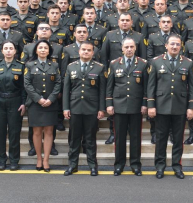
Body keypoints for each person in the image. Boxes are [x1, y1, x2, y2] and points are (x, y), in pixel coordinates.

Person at [146, 34, 193, 179]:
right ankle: (160, 167)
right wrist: (151, 105)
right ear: (166, 46)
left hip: (180, 107)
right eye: (172, 44)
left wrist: (191, 107)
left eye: (177, 44)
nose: (175, 47)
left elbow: (192, 88)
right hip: (161, 107)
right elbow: (151, 86)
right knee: (160, 138)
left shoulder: (188, 63)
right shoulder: (155, 62)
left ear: (181, 47)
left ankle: (177, 166)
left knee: (178, 139)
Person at [62, 41, 105, 176]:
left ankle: (92, 165)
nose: (86, 52)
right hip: (75, 108)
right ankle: (72, 165)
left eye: (89, 50)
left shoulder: (99, 67)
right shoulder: (71, 67)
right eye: (83, 50)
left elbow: (102, 90)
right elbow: (66, 89)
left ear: (93, 53)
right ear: (79, 51)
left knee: (90, 139)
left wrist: (101, 109)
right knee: (74, 139)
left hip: (91, 108)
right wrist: (66, 108)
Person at [105, 38, 147, 176]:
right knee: (119, 137)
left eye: (131, 47)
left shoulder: (143, 64)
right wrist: (109, 104)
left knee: (136, 137)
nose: (129, 49)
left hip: (136, 106)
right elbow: (109, 86)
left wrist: (144, 104)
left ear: (135, 48)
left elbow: (146, 87)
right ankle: (119, 164)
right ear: (122, 49)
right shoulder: (114, 64)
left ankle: (135, 165)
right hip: (119, 106)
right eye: (126, 47)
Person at [0, 41, 26, 171]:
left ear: (15, 51)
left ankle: (14, 160)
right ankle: (1, 160)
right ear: (2, 51)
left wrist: (23, 103)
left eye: (11, 48)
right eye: (6, 48)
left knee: (14, 132)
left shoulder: (21, 66)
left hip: (15, 100)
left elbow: (24, 88)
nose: (8, 50)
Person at [24, 41, 62, 172]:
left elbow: (58, 83)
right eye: (40, 47)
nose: (43, 50)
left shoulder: (55, 65)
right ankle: (39, 159)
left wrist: (51, 99)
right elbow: (27, 84)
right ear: (36, 50)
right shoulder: (29, 65)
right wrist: (39, 99)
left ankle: (46, 160)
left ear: (49, 51)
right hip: (35, 104)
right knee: (37, 132)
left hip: (51, 104)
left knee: (49, 132)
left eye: (45, 48)